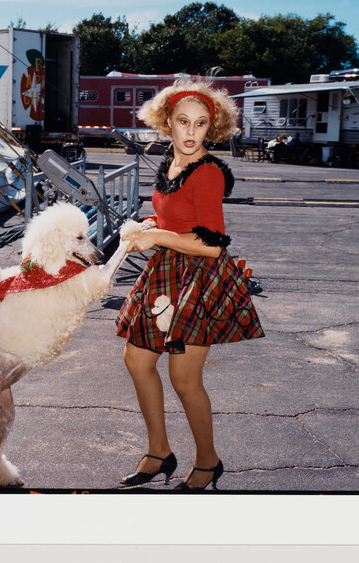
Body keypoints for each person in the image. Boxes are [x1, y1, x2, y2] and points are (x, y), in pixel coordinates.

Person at [115, 80, 265, 491]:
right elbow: (175, 216)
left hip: (198, 279)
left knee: (184, 378)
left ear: (210, 129)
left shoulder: (209, 173)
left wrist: (159, 238)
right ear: (168, 122)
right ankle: (159, 452)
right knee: (137, 360)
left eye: (200, 124)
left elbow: (213, 246)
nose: (190, 132)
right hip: (167, 272)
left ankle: (207, 463)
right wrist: (152, 225)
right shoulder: (172, 162)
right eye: (183, 122)